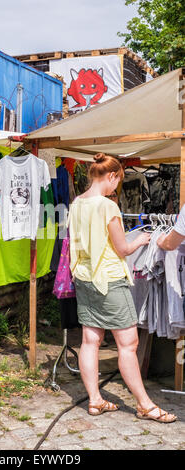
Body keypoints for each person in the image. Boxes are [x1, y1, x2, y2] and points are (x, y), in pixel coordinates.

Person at [68, 152, 177, 423]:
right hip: (109, 279)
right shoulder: (107, 206)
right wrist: (141, 239)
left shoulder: (77, 203)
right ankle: (145, 405)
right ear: (112, 175)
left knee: (90, 340)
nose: (117, 187)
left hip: (84, 277)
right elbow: (122, 248)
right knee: (128, 343)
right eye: (118, 181)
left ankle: (95, 401)